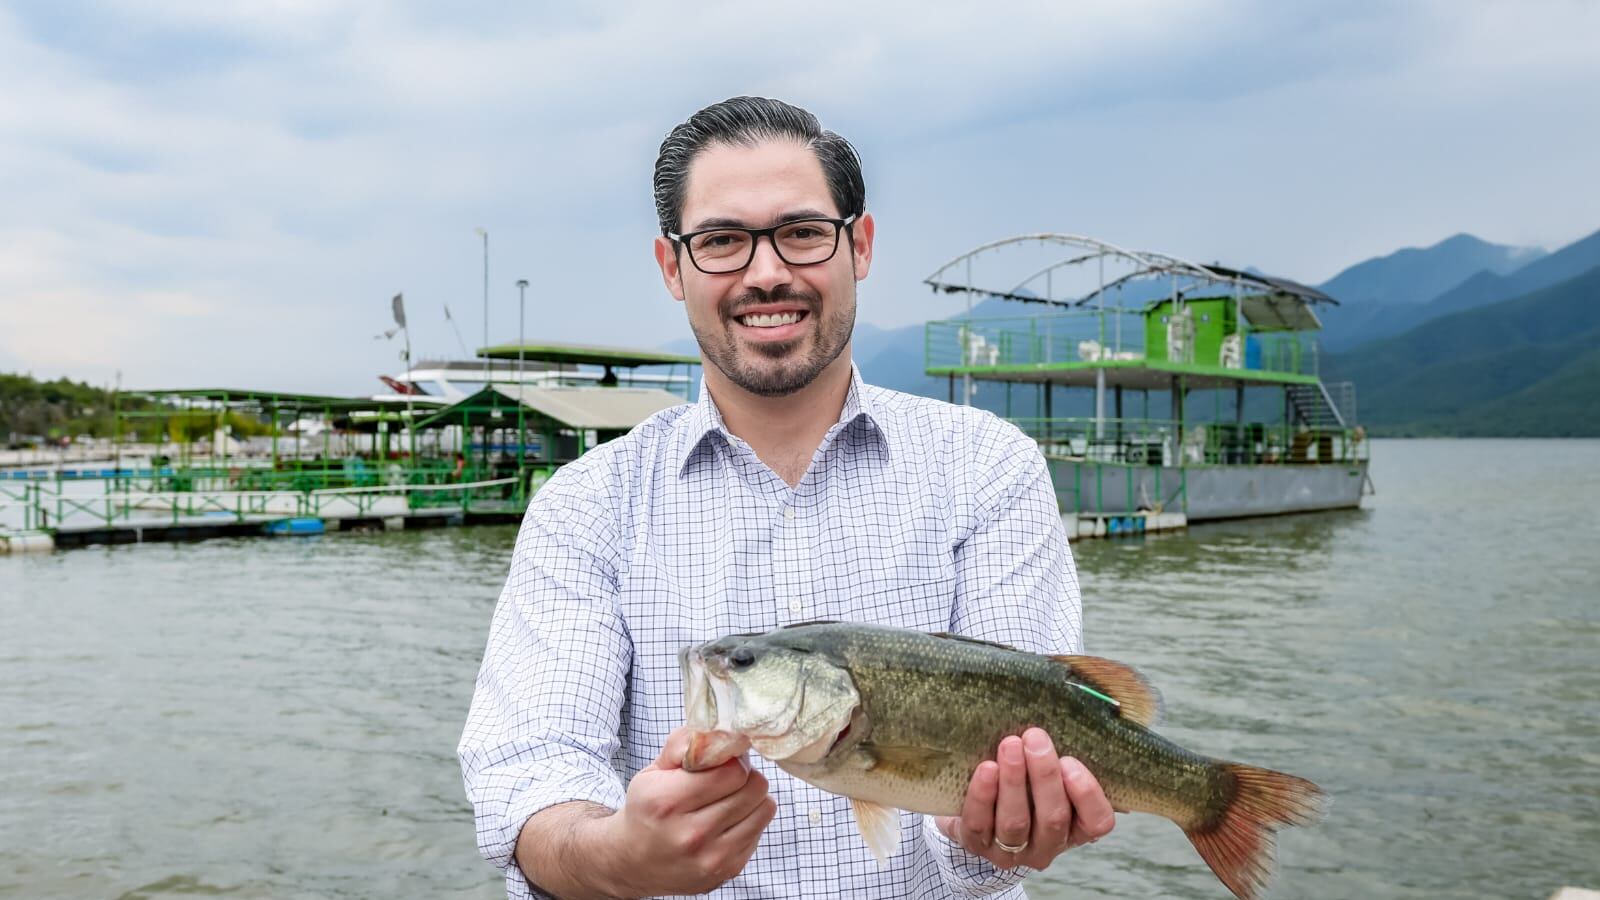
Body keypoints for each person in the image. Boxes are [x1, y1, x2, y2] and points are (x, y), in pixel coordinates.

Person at [458, 96, 1114, 899]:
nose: (766, 272)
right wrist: (618, 853)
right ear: (674, 267)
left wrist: (1002, 831)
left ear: (859, 245)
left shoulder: (987, 467)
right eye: (722, 240)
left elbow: (1000, 803)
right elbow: (530, 770)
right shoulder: (586, 505)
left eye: (801, 232)